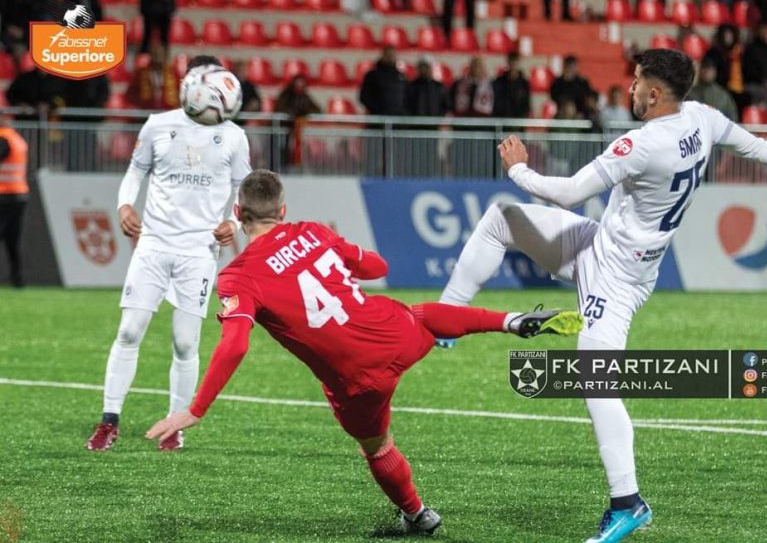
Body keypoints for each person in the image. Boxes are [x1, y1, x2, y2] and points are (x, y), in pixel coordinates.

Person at [435, 48, 767, 542]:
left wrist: (518, 169)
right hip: (600, 246)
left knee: (595, 380)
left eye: (638, 81)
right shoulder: (701, 118)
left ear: (655, 93)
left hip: (616, 278)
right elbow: (759, 148)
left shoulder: (641, 144)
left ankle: (628, 502)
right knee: (502, 219)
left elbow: (569, 192)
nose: (631, 89)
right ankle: (446, 318)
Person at [145, 169, 583, 534]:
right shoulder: (313, 231)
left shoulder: (238, 277)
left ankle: (418, 515)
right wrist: (342, 255)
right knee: (421, 314)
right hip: (392, 333)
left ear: (239, 214)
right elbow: (378, 267)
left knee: (377, 448)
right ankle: (511, 321)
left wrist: (196, 409)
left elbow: (236, 343)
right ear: (283, 211)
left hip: (355, 382)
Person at [85, 55, 252, 452]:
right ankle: (109, 421)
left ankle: (174, 426)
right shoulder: (158, 125)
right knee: (129, 331)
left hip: (199, 252)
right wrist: (125, 205)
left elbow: (243, 187)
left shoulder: (234, 136)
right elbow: (136, 170)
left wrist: (235, 222)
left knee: (185, 343)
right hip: (154, 244)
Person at [0, 118, 29, 288]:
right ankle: (17, 279)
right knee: (13, 239)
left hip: (4, 193)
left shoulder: (3, 139)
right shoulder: (16, 138)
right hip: (19, 193)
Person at [126, 42, 179, 111]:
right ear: (151, 55)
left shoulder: (173, 73)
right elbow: (130, 94)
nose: (158, 58)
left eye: (161, 54)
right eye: (155, 54)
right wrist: (140, 106)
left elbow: (179, 93)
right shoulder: (141, 73)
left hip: (167, 111)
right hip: (146, 112)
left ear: (165, 55)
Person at [492, 52, 531, 119]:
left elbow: (527, 103)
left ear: (518, 63)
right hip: (502, 118)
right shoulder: (499, 81)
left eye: (515, 62)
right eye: (511, 62)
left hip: (519, 119)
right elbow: (496, 101)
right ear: (508, 63)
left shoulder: (524, 83)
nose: (513, 65)